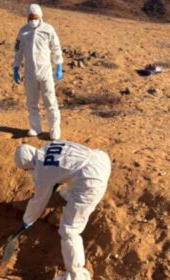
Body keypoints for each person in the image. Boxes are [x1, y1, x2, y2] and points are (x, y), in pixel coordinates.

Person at [14, 141, 111, 280]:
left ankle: (77, 275)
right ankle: (65, 199)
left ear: (28, 166)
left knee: (69, 230)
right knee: (70, 188)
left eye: (25, 170)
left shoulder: (41, 171)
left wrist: (27, 221)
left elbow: (38, 200)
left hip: (91, 180)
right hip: (100, 159)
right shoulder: (47, 147)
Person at [13, 4, 64, 140]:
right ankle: (36, 127)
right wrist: (16, 68)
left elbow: (56, 48)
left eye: (35, 17)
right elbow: (18, 51)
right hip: (30, 74)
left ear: (40, 17)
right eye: (30, 17)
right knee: (32, 103)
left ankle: (54, 129)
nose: (32, 19)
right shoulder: (23, 32)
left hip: (46, 72)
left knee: (50, 102)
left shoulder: (48, 30)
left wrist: (59, 66)